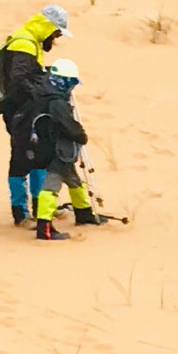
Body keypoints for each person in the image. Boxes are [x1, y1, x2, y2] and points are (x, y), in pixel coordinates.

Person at [22, 58, 111, 241]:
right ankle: (44, 227)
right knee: (52, 184)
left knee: (72, 178)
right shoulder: (56, 101)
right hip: (57, 147)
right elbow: (66, 124)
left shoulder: (45, 93)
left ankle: (84, 213)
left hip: (51, 145)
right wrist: (79, 134)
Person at [0, 4, 70, 224]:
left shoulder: (32, 41)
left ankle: (41, 207)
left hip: (29, 109)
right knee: (21, 158)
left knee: (40, 154)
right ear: (47, 26)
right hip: (18, 110)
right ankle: (20, 213)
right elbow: (18, 80)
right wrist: (39, 94)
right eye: (56, 32)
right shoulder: (23, 43)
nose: (56, 38)